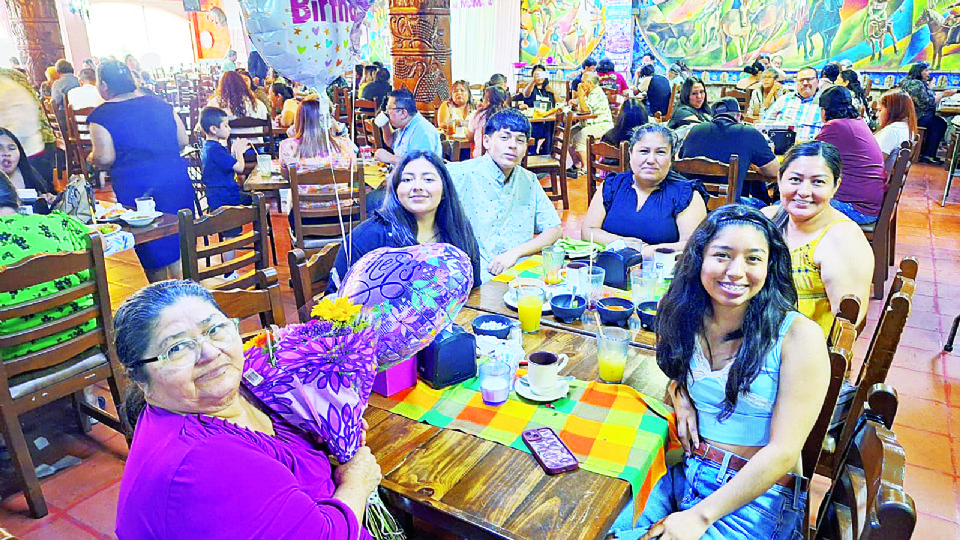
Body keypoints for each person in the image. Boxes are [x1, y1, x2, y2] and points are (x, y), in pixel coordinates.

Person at [609, 204, 829, 540]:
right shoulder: (689, 315)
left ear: (770, 266)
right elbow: (683, 370)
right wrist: (679, 394)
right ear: (699, 259)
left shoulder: (798, 336)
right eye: (722, 255)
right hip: (687, 472)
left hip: (758, 498)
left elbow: (784, 452)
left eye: (753, 259)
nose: (736, 271)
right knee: (594, 522)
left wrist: (699, 517)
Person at [113, 280, 382, 539]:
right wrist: (358, 482)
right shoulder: (205, 463)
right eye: (177, 348)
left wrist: (325, 426)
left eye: (215, 329)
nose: (209, 352)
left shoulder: (248, 385)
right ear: (141, 380)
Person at [87, 60, 193, 282]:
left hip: (138, 185)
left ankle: (162, 300)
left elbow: (105, 157)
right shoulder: (160, 104)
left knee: (150, 246)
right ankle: (186, 292)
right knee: (179, 239)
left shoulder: (102, 115)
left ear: (104, 85)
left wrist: (91, 157)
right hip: (174, 178)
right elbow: (183, 140)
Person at [327, 150, 481, 292]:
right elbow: (335, 299)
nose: (417, 187)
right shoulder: (369, 237)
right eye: (407, 179)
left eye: (428, 179)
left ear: (444, 190)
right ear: (396, 189)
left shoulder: (458, 230)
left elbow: (473, 287)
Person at [762, 141, 873, 334]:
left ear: (835, 186)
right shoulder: (768, 218)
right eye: (795, 180)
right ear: (779, 179)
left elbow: (846, 327)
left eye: (818, 182)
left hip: (799, 351)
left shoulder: (842, 239)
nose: (804, 192)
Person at [448, 109, 562, 281]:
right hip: (473, 277)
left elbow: (554, 229)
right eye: (504, 137)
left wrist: (515, 252)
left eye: (520, 140)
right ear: (486, 141)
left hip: (519, 274)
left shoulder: (529, 180)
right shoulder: (460, 175)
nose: (513, 145)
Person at [0, 172, 94, 362]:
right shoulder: (59, 223)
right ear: (16, 198)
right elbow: (102, 244)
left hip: (16, 358)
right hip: (84, 339)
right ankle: (86, 392)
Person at [581, 123, 708, 258]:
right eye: (644, 151)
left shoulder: (686, 194)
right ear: (630, 153)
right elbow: (588, 231)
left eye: (660, 152)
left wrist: (648, 251)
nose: (651, 160)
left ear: (671, 157)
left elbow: (692, 245)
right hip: (611, 269)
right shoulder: (612, 185)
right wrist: (623, 243)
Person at [679, 98, 779, 204]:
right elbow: (774, 171)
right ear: (738, 116)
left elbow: (680, 161)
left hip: (691, 205)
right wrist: (755, 165)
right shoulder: (749, 133)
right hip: (729, 208)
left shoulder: (693, 131)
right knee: (764, 204)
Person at [814, 86, 885, 224]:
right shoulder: (857, 122)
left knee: (786, 207)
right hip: (869, 204)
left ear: (823, 112)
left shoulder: (835, 126)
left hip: (856, 209)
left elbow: (808, 158)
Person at [0, 67, 57, 185]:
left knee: (36, 194)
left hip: (28, 149)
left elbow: (14, 128)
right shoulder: (12, 76)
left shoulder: (6, 86)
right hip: (39, 140)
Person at [199, 106, 252, 220]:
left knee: (255, 199)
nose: (229, 129)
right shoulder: (216, 149)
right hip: (225, 197)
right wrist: (239, 152)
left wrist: (233, 151)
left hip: (219, 195)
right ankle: (260, 231)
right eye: (226, 125)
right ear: (214, 129)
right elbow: (239, 168)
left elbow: (228, 164)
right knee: (258, 201)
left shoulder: (210, 147)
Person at [901, 62, 955, 163]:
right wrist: (944, 94)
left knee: (938, 122)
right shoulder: (915, 84)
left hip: (918, 115)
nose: (928, 73)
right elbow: (928, 103)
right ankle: (927, 155)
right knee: (939, 124)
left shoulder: (916, 83)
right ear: (918, 72)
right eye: (925, 71)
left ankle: (926, 152)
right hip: (917, 116)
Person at [376, 89, 442, 165]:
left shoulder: (423, 131)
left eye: (390, 109)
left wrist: (390, 158)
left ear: (403, 113)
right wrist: (385, 125)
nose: (387, 112)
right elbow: (392, 142)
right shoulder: (405, 125)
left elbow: (421, 165)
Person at [567, 72, 614, 174]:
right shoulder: (588, 93)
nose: (580, 84)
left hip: (602, 124)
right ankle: (577, 164)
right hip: (587, 123)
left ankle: (586, 167)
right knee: (569, 134)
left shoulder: (596, 93)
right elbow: (579, 105)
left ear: (590, 83)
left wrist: (580, 95)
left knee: (580, 136)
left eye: (583, 82)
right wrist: (574, 102)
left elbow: (585, 110)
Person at [0, 127, 56, 210]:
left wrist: (47, 199)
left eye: (12, 148)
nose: (6, 153)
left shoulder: (28, 173)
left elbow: (45, 195)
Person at [762, 67, 823, 141]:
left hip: (813, 150)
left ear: (817, 81)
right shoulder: (785, 99)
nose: (805, 83)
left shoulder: (826, 102)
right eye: (801, 80)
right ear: (796, 83)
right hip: (783, 150)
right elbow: (763, 124)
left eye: (809, 79)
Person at [874, 89, 917, 164]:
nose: (876, 115)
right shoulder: (906, 128)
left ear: (892, 111)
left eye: (880, 110)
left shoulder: (892, 131)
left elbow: (874, 162)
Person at [466, 86, 509, 159]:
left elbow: (470, 136)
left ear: (487, 100)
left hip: (480, 160)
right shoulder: (508, 116)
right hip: (504, 159)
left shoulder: (479, 116)